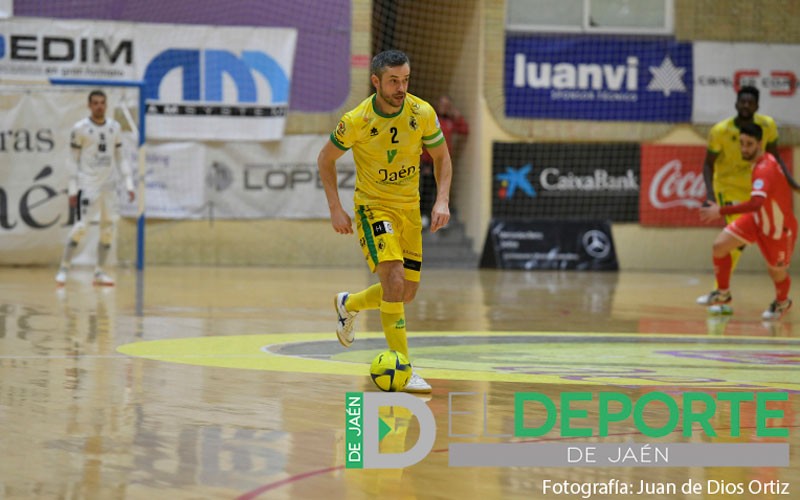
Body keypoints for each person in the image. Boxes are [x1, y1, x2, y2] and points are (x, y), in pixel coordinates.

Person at [317, 49, 453, 393]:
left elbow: (441, 157)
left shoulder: (422, 112)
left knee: (404, 293)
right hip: (373, 208)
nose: (401, 87)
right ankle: (404, 369)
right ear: (375, 81)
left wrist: (442, 200)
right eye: (393, 80)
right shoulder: (357, 120)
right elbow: (326, 159)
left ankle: (349, 304)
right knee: (392, 275)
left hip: (409, 210)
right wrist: (335, 207)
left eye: (405, 79)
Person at [696, 86, 787, 306]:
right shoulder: (720, 130)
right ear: (736, 103)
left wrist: (791, 184)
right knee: (733, 242)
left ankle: (781, 300)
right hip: (727, 188)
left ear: (757, 106)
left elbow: (775, 157)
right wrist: (710, 196)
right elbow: (708, 165)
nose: (746, 106)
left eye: (750, 102)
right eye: (742, 102)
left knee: (772, 255)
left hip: (756, 188)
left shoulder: (767, 126)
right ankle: (721, 293)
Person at [55, 90, 135, 287]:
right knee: (81, 227)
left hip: (110, 186)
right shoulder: (80, 128)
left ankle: (99, 272)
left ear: (106, 105)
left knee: (108, 230)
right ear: (89, 105)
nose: (99, 106)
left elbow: (120, 157)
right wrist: (73, 188)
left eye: (102, 103)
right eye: (95, 103)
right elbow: (72, 159)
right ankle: (64, 269)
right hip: (88, 185)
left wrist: (129, 183)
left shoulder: (114, 127)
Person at [419, 95, 468, 228]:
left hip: (444, 163)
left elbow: (464, 130)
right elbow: (422, 140)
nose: (444, 107)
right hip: (429, 162)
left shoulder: (450, 121)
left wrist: (457, 116)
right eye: (442, 104)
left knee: (442, 190)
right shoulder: (432, 119)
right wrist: (424, 162)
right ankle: (424, 215)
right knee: (427, 189)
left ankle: (441, 218)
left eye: (447, 105)